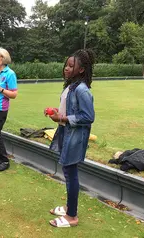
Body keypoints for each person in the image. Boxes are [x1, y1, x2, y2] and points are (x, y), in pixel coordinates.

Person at [45, 49, 95, 228]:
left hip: (75, 137)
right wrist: (57, 112)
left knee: (71, 173)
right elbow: (70, 111)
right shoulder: (71, 86)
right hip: (66, 132)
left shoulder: (81, 89)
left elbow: (88, 116)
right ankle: (69, 207)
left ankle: (72, 216)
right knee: (68, 172)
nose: (66, 68)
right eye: (66, 64)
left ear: (81, 70)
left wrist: (63, 118)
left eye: (71, 66)